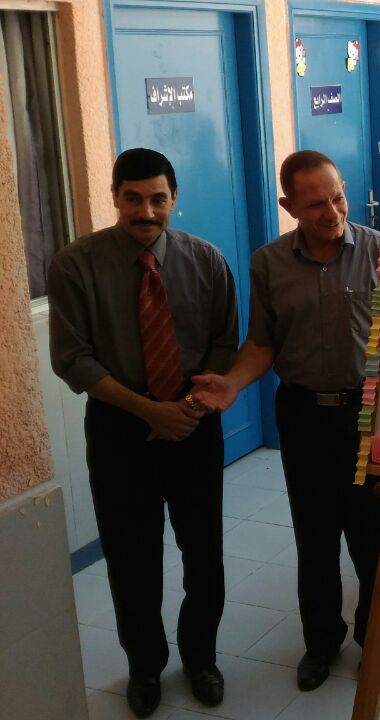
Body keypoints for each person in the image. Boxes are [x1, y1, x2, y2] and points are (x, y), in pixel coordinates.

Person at [192, 150, 380, 691]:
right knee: (315, 536)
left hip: (370, 414)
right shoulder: (269, 264)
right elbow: (262, 342)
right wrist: (233, 382)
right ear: (289, 207)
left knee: (372, 537)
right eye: (315, 205)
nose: (332, 212)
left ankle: (377, 637)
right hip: (304, 416)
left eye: (337, 198)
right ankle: (321, 642)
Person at [47, 148, 236, 717]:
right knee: (132, 560)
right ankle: (145, 667)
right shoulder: (75, 265)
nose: (146, 212)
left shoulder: (206, 261)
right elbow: (73, 359)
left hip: (194, 428)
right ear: (115, 197)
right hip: (119, 430)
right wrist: (150, 411)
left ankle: (201, 658)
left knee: (204, 555)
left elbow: (224, 343)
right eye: (133, 199)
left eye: (157, 199)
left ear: (174, 198)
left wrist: (186, 409)